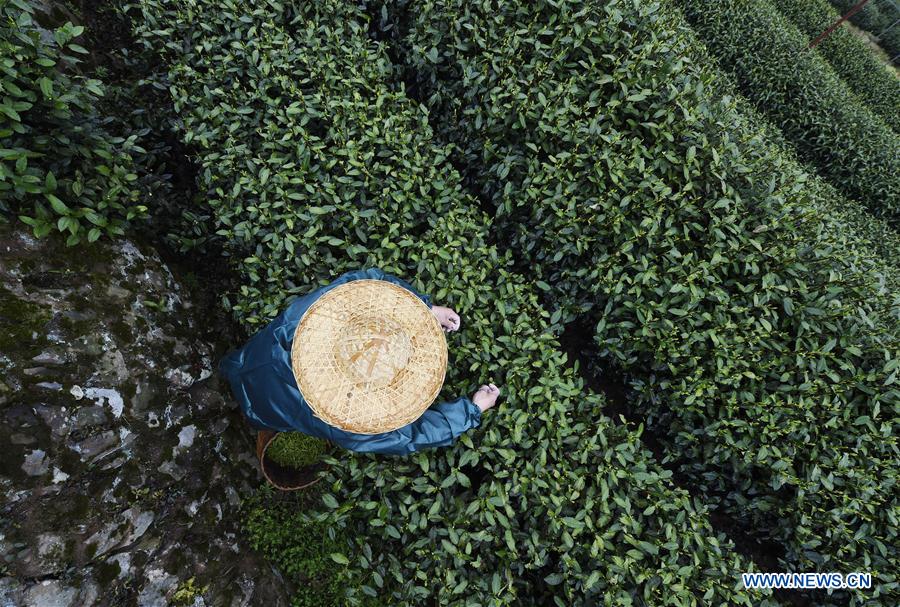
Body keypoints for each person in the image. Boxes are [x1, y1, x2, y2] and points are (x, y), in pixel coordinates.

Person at [218, 268, 501, 455]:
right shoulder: (345, 425)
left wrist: (425, 308)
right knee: (267, 414)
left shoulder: (304, 318)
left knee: (241, 374)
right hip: (271, 415)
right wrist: (472, 410)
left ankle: (228, 380)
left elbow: (362, 281)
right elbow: (411, 436)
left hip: (246, 361)